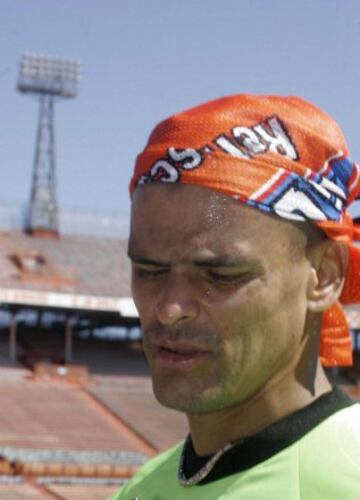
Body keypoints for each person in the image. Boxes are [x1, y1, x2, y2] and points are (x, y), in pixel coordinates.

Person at [111, 94, 360, 499]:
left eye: (220, 275)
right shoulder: (141, 488)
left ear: (325, 276)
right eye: (149, 270)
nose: (170, 308)